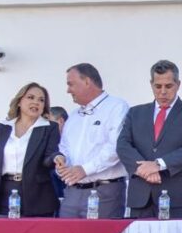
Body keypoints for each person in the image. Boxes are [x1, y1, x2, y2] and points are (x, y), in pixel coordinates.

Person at [118, 60, 182, 219]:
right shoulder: (135, 113)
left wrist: (158, 165)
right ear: (151, 84)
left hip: (178, 198)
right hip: (141, 198)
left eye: (168, 86)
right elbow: (123, 145)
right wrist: (144, 170)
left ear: (178, 84)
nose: (163, 91)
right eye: (158, 86)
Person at [55, 63, 130, 219]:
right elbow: (64, 147)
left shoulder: (116, 107)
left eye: (71, 84)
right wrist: (62, 163)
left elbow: (116, 148)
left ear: (87, 81)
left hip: (104, 192)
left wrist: (85, 169)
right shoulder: (74, 115)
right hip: (72, 192)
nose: (68, 90)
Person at [0, 83, 61, 217]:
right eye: (31, 97)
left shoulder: (50, 127)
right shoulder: (3, 127)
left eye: (41, 100)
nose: (36, 102)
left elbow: (49, 156)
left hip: (37, 196)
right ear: (19, 101)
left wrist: (56, 157)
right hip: (4, 192)